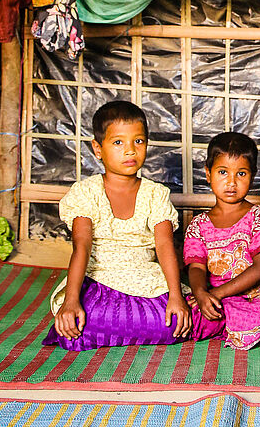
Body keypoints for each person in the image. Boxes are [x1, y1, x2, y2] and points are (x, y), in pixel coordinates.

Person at [43, 101, 192, 350]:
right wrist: (71, 301)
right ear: (98, 148)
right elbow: (82, 247)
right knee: (78, 321)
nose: (130, 151)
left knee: (176, 320)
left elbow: (165, 246)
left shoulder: (156, 193)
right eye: (118, 142)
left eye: (139, 141)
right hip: (97, 280)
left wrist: (176, 296)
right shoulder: (86, 192)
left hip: (146, 280)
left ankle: (121, 329)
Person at [184, 132, 260, 350]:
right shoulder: (198, 225)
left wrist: (215, 294)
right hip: (215, 298)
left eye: (241, 174)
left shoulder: (258, 217)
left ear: (253, 175)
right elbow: (196, 267)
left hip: (252, 299)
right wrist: (201, 293)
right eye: (222, 172)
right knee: (185, 318)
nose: (231, 182)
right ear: (208, 174)